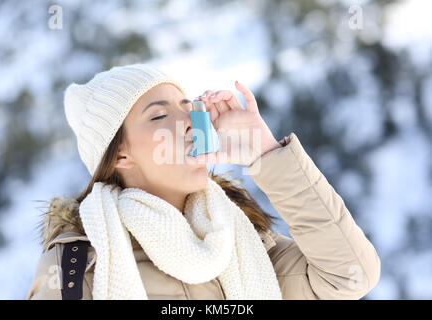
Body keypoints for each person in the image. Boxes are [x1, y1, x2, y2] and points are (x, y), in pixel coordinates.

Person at [26, 63, 380, 300]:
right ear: (120, 155)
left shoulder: (243, 241)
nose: (192, 119)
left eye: (187, 105)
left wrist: (265, 152)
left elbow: (349, 276)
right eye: (160, 114)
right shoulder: (75, 268)